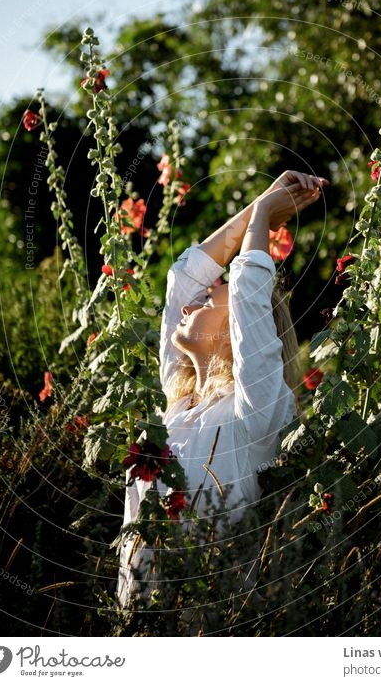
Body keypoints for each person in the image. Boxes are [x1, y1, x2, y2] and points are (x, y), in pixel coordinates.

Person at [116, 170, 329, 609]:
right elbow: (182, 281)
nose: (193, 302)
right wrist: (260, 207)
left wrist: (266, 216)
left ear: (238, 329)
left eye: (212, 297)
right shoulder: (179, 409)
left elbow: (250, 293)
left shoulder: (254, 413)